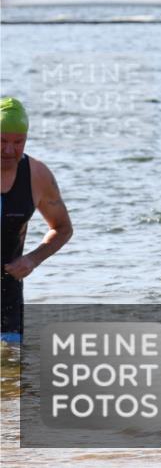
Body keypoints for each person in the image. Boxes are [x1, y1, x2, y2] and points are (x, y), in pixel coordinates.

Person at [1, 97, 73, 338]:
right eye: (2, 141)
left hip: (8, 295)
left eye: (18, 142)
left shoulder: (37, 175)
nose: (9, 150)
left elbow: (62, 228)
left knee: (10, 360)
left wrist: (32, 259)